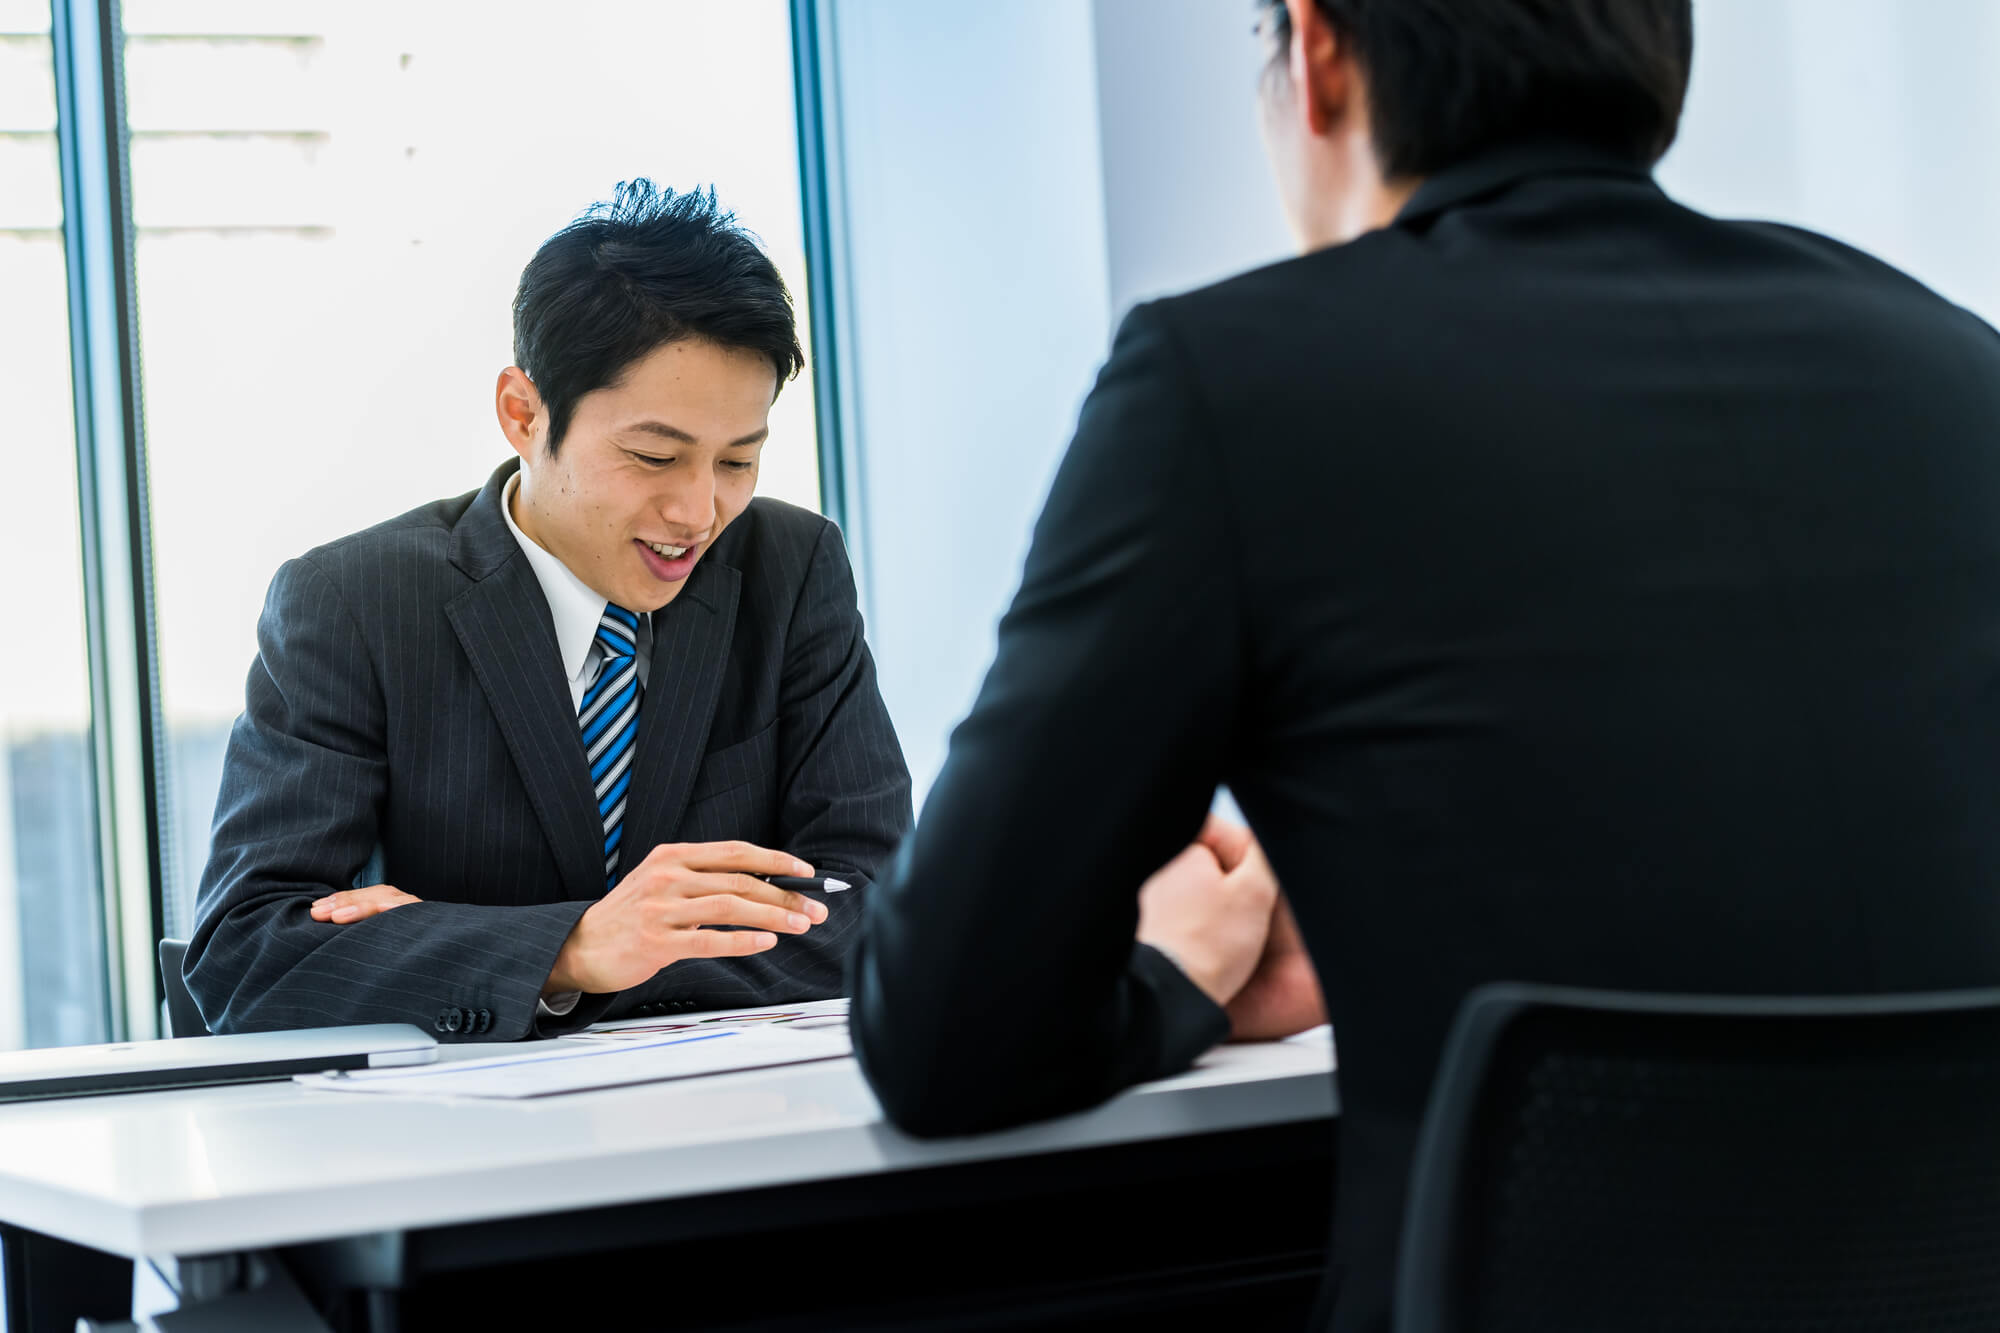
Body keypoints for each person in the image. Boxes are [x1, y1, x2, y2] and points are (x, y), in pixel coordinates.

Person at [848, 0, 2000, 1328]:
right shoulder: (1954, 368)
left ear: (1318, 51)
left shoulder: (1228, 381)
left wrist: (1187, 982)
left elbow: (942, 1037)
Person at [188, 181, 911, 1040]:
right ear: (522, 414)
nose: (698, 512)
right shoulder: (351, 605)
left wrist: (465, 942)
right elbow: (248, 957)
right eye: (653, 456)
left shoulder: (793, 572)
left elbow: (883, 913)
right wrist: (569, 949)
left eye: (736, 461)